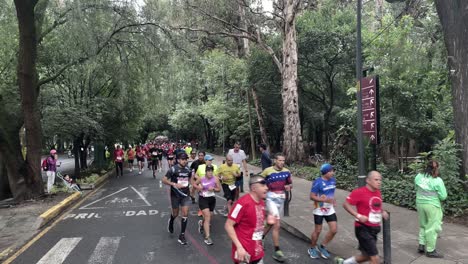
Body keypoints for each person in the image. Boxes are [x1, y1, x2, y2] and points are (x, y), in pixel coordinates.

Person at [335, 171, 389, 264]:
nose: (379, 182)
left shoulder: (377, 192)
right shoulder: (359, 192)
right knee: (375, 258)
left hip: (374, 229)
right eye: (376, 179)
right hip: (363, 229)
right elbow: (346, 204)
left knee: (366, 256)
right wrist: (358, 215)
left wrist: (382, 211)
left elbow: (375, 206)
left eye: (380, 180)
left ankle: (344, 263)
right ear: (368, 180)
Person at [225, 175, 268, 264]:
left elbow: (259, 230)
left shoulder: (262, 203)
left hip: (258, 252)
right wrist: (239, 247)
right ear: (253, 188)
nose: (266, 188)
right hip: (244, 255)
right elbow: (228, 225)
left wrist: (269, 224)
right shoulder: (242, 204)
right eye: (263, 185)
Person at [260, 153, 292, 263]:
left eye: (283, 160)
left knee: (271, 222)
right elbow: (259, 182)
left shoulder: (287, 171)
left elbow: (290, 184)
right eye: (280, 160)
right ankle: (277, 251)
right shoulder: (267, 171)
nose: (282, 162)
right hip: (270, 198)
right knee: (277, 224)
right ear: (275, 160)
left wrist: (288, 187)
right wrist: (263, 193)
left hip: (281, 199)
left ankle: (260, 237)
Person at [414, 160, 447, 258]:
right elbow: (443, 196)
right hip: (432, 205)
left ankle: (421, 245)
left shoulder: (419, 176)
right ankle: (430, 250)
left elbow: (416, 187)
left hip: (420, 203)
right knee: (432, 227)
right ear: (436, 168)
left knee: (423, 224)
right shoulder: (437, 180)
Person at [162, 152, 192, 245]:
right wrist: (174, 184)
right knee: (175, 213)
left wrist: (193, 185)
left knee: (185, 213)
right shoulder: (173, 169)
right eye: (183, 159)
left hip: (185, 195)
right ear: (178, 160)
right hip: (175, 195)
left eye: (186, 159)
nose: (185, 161)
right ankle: (171, 220)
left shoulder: (188, 169)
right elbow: (164, 180)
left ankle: (182, 235)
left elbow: (190, 180)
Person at [308, 163, 337, 259]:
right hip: (319, 209)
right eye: (331, 171)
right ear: (325, 172)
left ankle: (322, 246)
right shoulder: (317, 182)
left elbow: (331, 193)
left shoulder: (333, 181)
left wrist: (333, 200)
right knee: (318, 230)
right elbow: (312, 196)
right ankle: (312, 248)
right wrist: (324, 199)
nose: (333, 173)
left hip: (329, 209)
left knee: (334, 230)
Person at [194, 165, 221, 245]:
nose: (210, 173)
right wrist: (199, 188)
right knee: (207, 216)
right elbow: (194, 184)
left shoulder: (215, 178)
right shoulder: (201, 178)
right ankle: (207, 237)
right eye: (208, 171)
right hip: (203, 199)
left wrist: (213, 189)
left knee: (209, 216)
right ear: (206, 172)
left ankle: (201, 223)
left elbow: (219, 189)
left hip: (212, 199)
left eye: (211, 171)